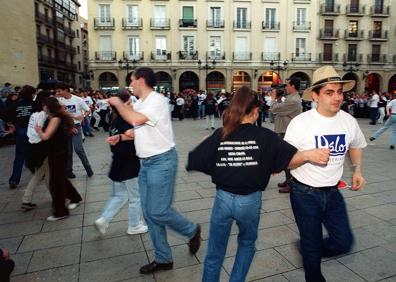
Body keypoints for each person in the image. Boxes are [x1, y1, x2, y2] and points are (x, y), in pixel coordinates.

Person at [186, 86, 329, 282]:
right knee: (246, 244)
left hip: (223, 199)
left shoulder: (221, 134)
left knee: (215, 251)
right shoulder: (265, 137)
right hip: (249, 201)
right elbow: (289, 159)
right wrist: (307, 155)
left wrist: (221, 165)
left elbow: (194, 160)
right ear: (255, 112)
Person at [108, 67, 201, 274]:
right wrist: (121, 137)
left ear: (141, 80)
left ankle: (191, 230)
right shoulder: (140, 103)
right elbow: (137, 130)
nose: (130, 84)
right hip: (145, 164)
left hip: (162, 162)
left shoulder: (157, 100)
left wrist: (117, 104)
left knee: (158, 210)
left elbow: (137, 120)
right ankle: (163, 258)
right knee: (150, 215)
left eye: (132, 80)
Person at [285, 66, 367, 282]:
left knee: (343, 242)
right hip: (304, 193)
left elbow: (356, 145)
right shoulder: (300, 123)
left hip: (332, 192)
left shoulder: (348, 121)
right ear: (315, 95)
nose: (337, 97)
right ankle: (311, 260)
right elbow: (285, 162)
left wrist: (357, 169)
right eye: (329, 92)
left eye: (340, 92)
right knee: (312, 246)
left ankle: (308, 249)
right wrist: (306, 155)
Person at [95, 89, 147, 235]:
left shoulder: (115, 121)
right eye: (129, 102)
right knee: (135, 197)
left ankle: (104, 219)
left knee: (119, 195)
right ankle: (134, 225)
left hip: (117, 163)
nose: (132, 105)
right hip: (129, 164)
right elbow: (137, 134)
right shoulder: (128, 121)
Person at [35, 97, 83, 221]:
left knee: (56, 183)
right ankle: (75, 198)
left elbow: (46, 136)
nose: (43, 107)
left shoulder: (55, 118)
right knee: (59, 178)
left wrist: (39, 131)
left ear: (48, 106)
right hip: (56, 152)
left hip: (58, 153)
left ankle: (60, 211)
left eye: (44, 104)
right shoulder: (53, 117)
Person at [270, 78, 302, 193]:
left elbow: (273, 109)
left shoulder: (293, 100)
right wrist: (278, 99)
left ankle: (291, 183)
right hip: (284, 130)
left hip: (288, 132)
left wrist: (273, 99)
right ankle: (288, 180)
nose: (285, 88)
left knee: (287, 158)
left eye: (287, 85)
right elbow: (279, 110)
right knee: (285, 157)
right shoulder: (289, 98)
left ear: (293, 86)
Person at [55, 84, 93, 178]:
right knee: (68, 151)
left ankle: (88, 168)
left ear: (66, 90)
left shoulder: (78, 100)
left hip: (76, 127)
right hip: (65, 127)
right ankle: (69, 171)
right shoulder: (59, 101)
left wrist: (83, 116)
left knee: (78, 149)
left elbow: (88, 110)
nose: (58, 93)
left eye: (60, 91)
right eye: (57, 91)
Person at [22, 91, 51, 210]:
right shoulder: (43, 114)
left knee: (45, 172)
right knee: (41, 172)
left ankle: (57, 195)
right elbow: (40, 132)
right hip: (40, 147)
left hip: (32, 146)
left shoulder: (34, 113)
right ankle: (26, 199)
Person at [6, 85, 36, 189]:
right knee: (34, 155)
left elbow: (5, 114)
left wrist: (11, 124)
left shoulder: (16, 104)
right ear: (31, 94)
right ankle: (39, 173)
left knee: (19, 157)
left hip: (20, 132)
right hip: (32, 132)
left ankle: (14, 179)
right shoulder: (34, 104)